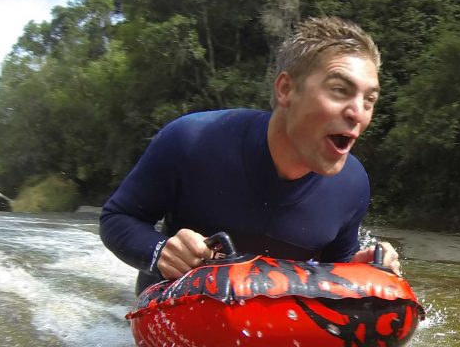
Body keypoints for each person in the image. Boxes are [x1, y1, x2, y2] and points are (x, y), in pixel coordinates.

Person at [100, 16, 400, 294]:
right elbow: (117, 218)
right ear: (286, 90)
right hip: (173, 312)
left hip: (272, 325)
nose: (358, 113)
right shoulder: (191, 141)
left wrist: (361, 271)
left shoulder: (353, 184)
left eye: (369, 100)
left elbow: (334, 266)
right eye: (339, 90)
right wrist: (160, 250)